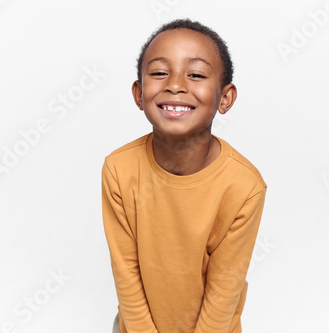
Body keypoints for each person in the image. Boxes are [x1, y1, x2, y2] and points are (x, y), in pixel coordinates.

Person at [102, 18, 267, 333]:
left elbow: (224, 289)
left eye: (196, 74)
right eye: (160, 72)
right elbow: (126, 273)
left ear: (225, 98)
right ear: (139, 93)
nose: (175, 85)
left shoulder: (244, 186)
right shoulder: (119, 169)